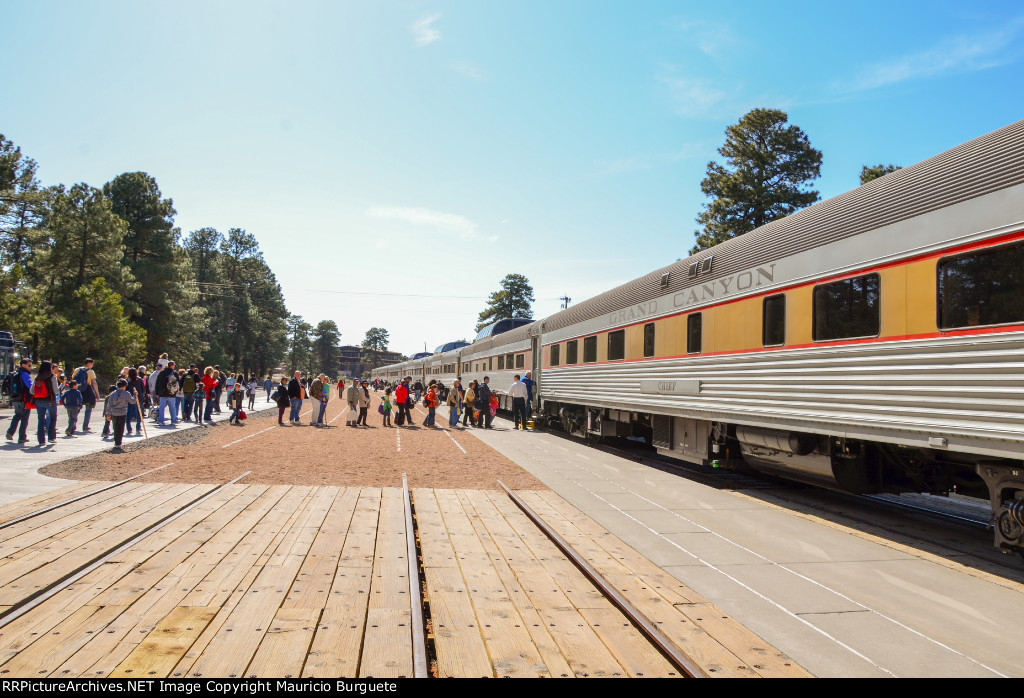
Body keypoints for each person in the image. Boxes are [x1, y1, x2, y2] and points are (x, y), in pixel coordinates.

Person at [103, 378, 137, 453]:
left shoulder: (112, 394)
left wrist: (108, 414)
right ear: (125, 386)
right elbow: (132, 401)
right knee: (120, 428)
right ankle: (118, 443)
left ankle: (116, 442)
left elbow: (109, 405)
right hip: (122, 413)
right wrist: (135, 395)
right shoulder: (126, 393)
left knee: (115, 427)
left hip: (114, 413)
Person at [5, 357, 33, 444]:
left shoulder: (15, 373)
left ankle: (10, 432)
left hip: (15, 397)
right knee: (24, 417)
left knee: (17, 415)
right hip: (23, 399)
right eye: (29, 365)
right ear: (23, 365)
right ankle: (22, 437)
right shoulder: (24, 374)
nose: (30, 367)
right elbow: (30, 386)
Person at [32, 360, 59, 446]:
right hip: (50, 400)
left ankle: (41, 440)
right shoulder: (52, 377)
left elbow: (31, 391)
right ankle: (51, 437)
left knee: (40, 420)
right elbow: (56, 391)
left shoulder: (37, 377)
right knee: (53, 417)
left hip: (39, 400)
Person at [71, 358, 99, 433]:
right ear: (89, 363)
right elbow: (94, 383)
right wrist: (97, 393)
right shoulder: (90, 371)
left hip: (77, 390)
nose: (92, 365)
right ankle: (85, 425)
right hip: (87, 390)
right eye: (92, 364)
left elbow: (72, 380)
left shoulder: (77, 369)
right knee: (88, 408)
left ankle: (73, 423)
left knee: (77, 408)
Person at [155, 360, 180, 426]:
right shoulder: (174, 373)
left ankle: (161, 420)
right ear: (172, 366)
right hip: (171, 393)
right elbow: (177, 383)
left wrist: (157, 392)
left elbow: (157, 383)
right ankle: (173, 420)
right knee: (172, 407)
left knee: (162, 407)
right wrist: (177, 391)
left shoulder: (162, 373)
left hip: (162, 393)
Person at [126, 367, 145, 435]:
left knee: (129, 414)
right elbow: (143, 389)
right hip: (138, 397)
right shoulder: (139, 379)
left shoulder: (127, 380)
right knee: (139, 413)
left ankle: (129, 429)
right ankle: (138, 428)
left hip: (129, 398)